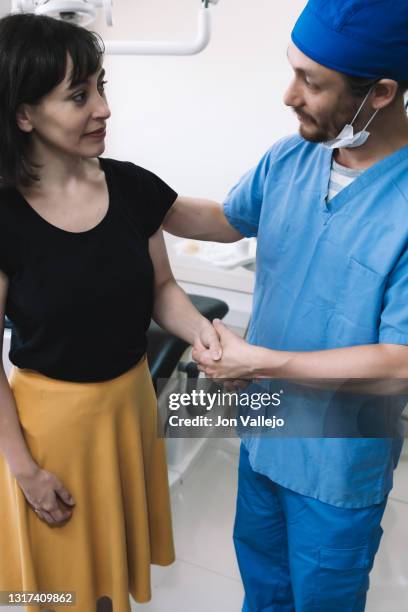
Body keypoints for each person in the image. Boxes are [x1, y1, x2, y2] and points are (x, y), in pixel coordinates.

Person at [163, 0, 408, 609]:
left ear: (378, 93)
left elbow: (400, 362)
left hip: (336, 464)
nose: (289, 95)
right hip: (264, 434)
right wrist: (128, 188)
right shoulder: (291, 156)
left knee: (319, 597)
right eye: (291, 70)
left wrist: (259, 363)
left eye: (311, 82)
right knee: (263, 588)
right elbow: (227, 218)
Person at [0, 13, 222, 612]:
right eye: (79, 95)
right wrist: (25, 471)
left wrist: (204, 332)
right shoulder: (6, 216)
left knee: (108, 579)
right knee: (61, 588)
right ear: (24, 115)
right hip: (52, 432)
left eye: (102, 87)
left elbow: (163, 289)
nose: (102, 108)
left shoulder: (129, 187)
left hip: (127, 407)